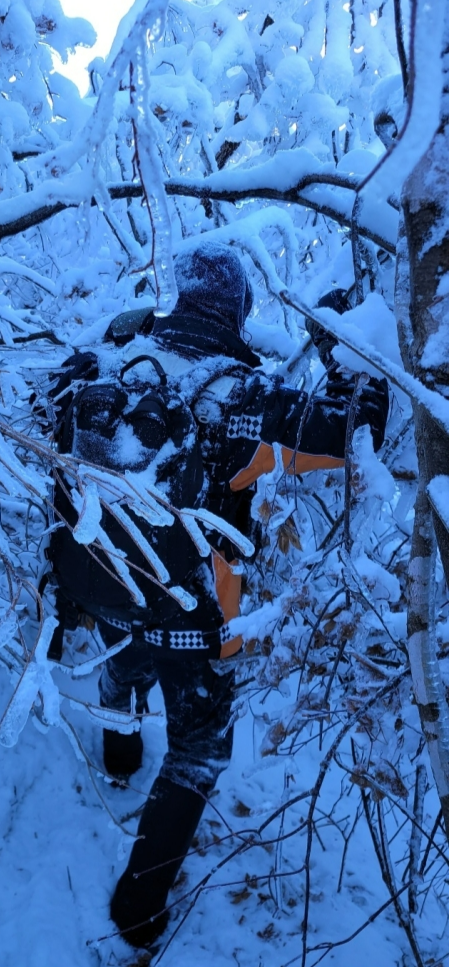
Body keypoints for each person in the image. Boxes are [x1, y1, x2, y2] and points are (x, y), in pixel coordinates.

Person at [42, 242, 389, 949]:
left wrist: (122, 330)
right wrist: (342, 347)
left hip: (101, 584)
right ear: (236, 310)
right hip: (192, 613)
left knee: (128, 649)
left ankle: (116, 754)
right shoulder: (242, 399)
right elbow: (358, 428)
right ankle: (136, 914)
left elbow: (39, 408)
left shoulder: (103, 370)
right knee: (198, 746)